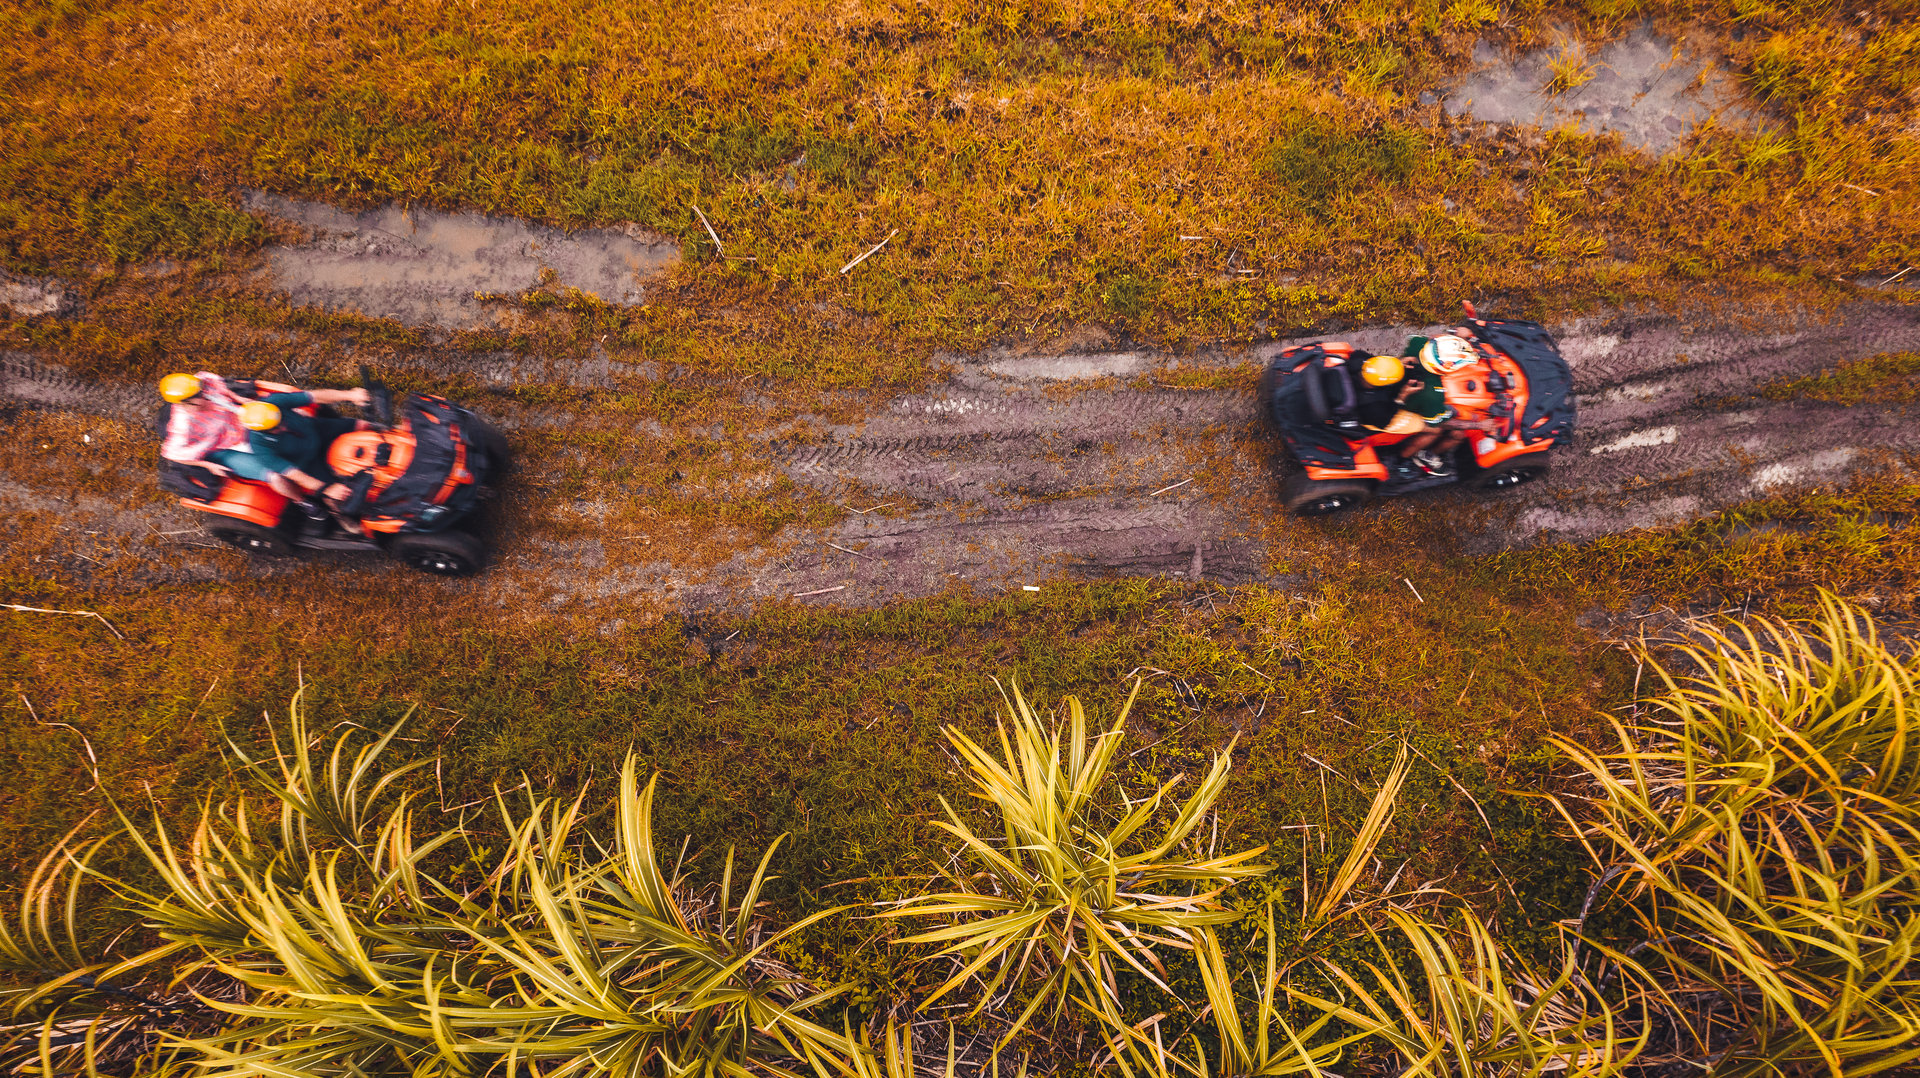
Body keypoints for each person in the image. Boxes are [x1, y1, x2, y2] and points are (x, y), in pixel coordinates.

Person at [237, 388, 373, 501]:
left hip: (317, 430)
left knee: (364, 426)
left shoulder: (273, 402)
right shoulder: (260, 448)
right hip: (308, 462)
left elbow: (314, 396)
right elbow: (294, 474)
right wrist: (328, 489)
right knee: (343, 496)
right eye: (276, 428)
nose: (283, 427)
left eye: (281, 420)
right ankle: (340, 517)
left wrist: (350, 395)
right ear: (261, 431)